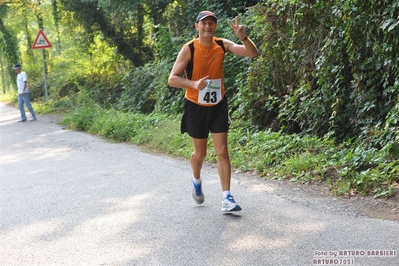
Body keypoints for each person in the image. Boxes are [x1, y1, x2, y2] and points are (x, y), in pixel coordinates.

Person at [168, 11, 259, 212]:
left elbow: (252, 53)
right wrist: (193, 83)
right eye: (204, 24)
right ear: (197, 26)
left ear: (215, 27)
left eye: (211, 23)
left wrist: (243, 37)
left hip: (218, 104)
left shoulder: (222, 44)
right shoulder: (189, 49)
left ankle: (227, 197)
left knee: (222, 151)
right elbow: (172, 79)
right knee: (200, 153)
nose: (208, 27)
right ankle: (196, 180)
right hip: (195, 106)